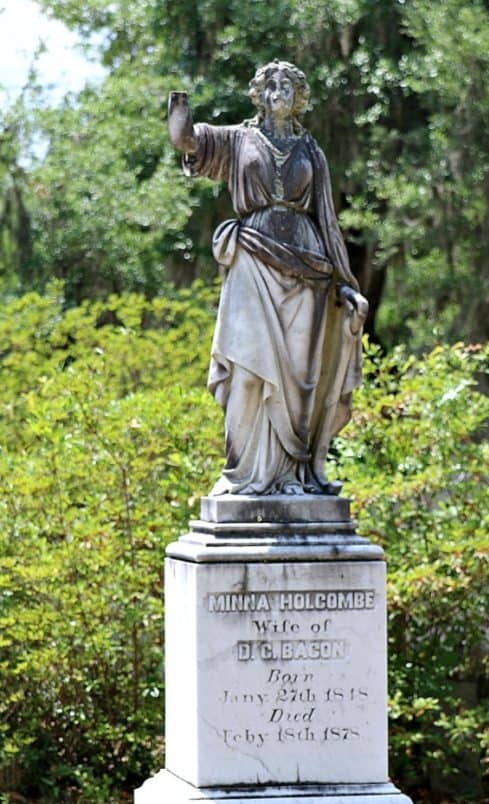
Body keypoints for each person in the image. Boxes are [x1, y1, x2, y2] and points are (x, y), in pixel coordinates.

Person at [168, 60, 367, 496]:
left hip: (309, 269)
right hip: (253, 262)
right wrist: (178, 101)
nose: (279, 91)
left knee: (299, 377)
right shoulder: (238, 140)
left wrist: (346, 282)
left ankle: (292, 476)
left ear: (300, 97)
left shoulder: (311, 151)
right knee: (248, 369)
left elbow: (328, 220)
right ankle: (240, 474)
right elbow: (185, 140)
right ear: (259, 93)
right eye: (271, 84)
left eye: (288, 85)